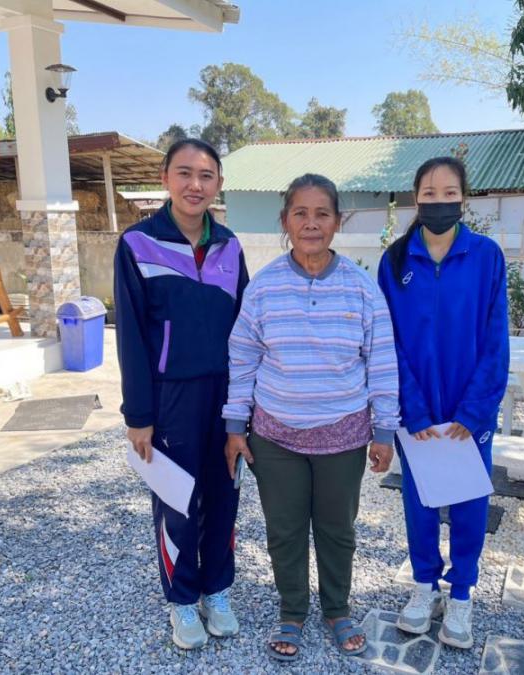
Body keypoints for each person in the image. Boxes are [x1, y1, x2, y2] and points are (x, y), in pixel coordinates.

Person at [222, 174, 399, 662]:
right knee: (284, 529)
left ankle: (337, 608)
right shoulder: (264, 288)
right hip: (275, 437)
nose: (311, 223)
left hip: (343, 436)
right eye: (300, 213)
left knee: (337, 529)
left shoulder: (361, 289)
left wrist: (384, 430)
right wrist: (235, 427)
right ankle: (292, 610)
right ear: (285, 221)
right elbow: (243, 360)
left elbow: (382, 362)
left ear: (337, 222)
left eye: (322, 213)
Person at [114, 138, 249, 650]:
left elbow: (245, 332)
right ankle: (183, 600)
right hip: (170, 399)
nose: (196, 185)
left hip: (225, 397)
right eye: (185, 173)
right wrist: (139, 414)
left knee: (225, 496)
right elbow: (130, 336)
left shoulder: (230, 246)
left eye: (206, 175)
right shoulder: (137, 244)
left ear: (219, 184)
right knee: (178, 500)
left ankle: (217, 590)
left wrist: (245, 407)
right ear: (166, 178)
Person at [377, 156, 509, 649]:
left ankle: (462, 594)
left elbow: (496, 340)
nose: (439, 201)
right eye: (429, 193)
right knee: (420, 502)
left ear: (464, 199)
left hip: (468, 412)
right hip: (417, 412)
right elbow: (387, 340)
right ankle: (424, 586)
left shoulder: (486, 256)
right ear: (416, 198)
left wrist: (474, 412)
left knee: (471, 502)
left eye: (449, 193)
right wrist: (411, 408)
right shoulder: (395, 261)